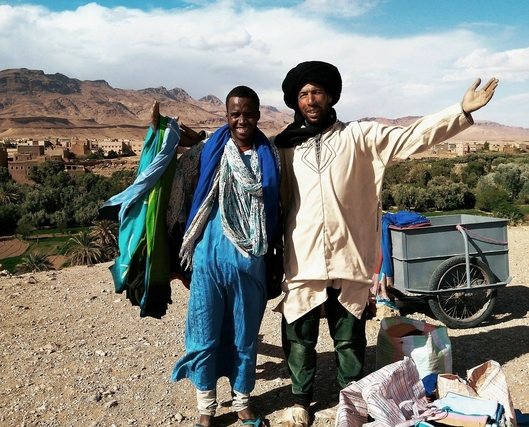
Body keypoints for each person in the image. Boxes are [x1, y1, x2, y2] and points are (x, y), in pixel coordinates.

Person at [272, 60, 499, 426]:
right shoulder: (282, 147)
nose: (310, 100)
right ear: (295, 101)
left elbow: (410, 137)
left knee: (348, 337)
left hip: (351, 255)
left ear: (330, 96)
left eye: (316, 92)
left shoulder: (358, 137)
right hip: (303, 258)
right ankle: (301, 402)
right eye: (302, 94)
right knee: (299, 335)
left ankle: (350, 401)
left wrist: (459, 112)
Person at [169, 86, 281, 427]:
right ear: (227, 116)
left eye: (248, 113)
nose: (242, 120)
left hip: (250, 261)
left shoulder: (271, 156)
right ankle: (207, 407)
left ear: (258, 114)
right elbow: (180, 191)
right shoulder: (209, 152)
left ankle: (243, 399)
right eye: (235, 114)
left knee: (245, 334)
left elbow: (281, 205)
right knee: (203, 332)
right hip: (208, 261)